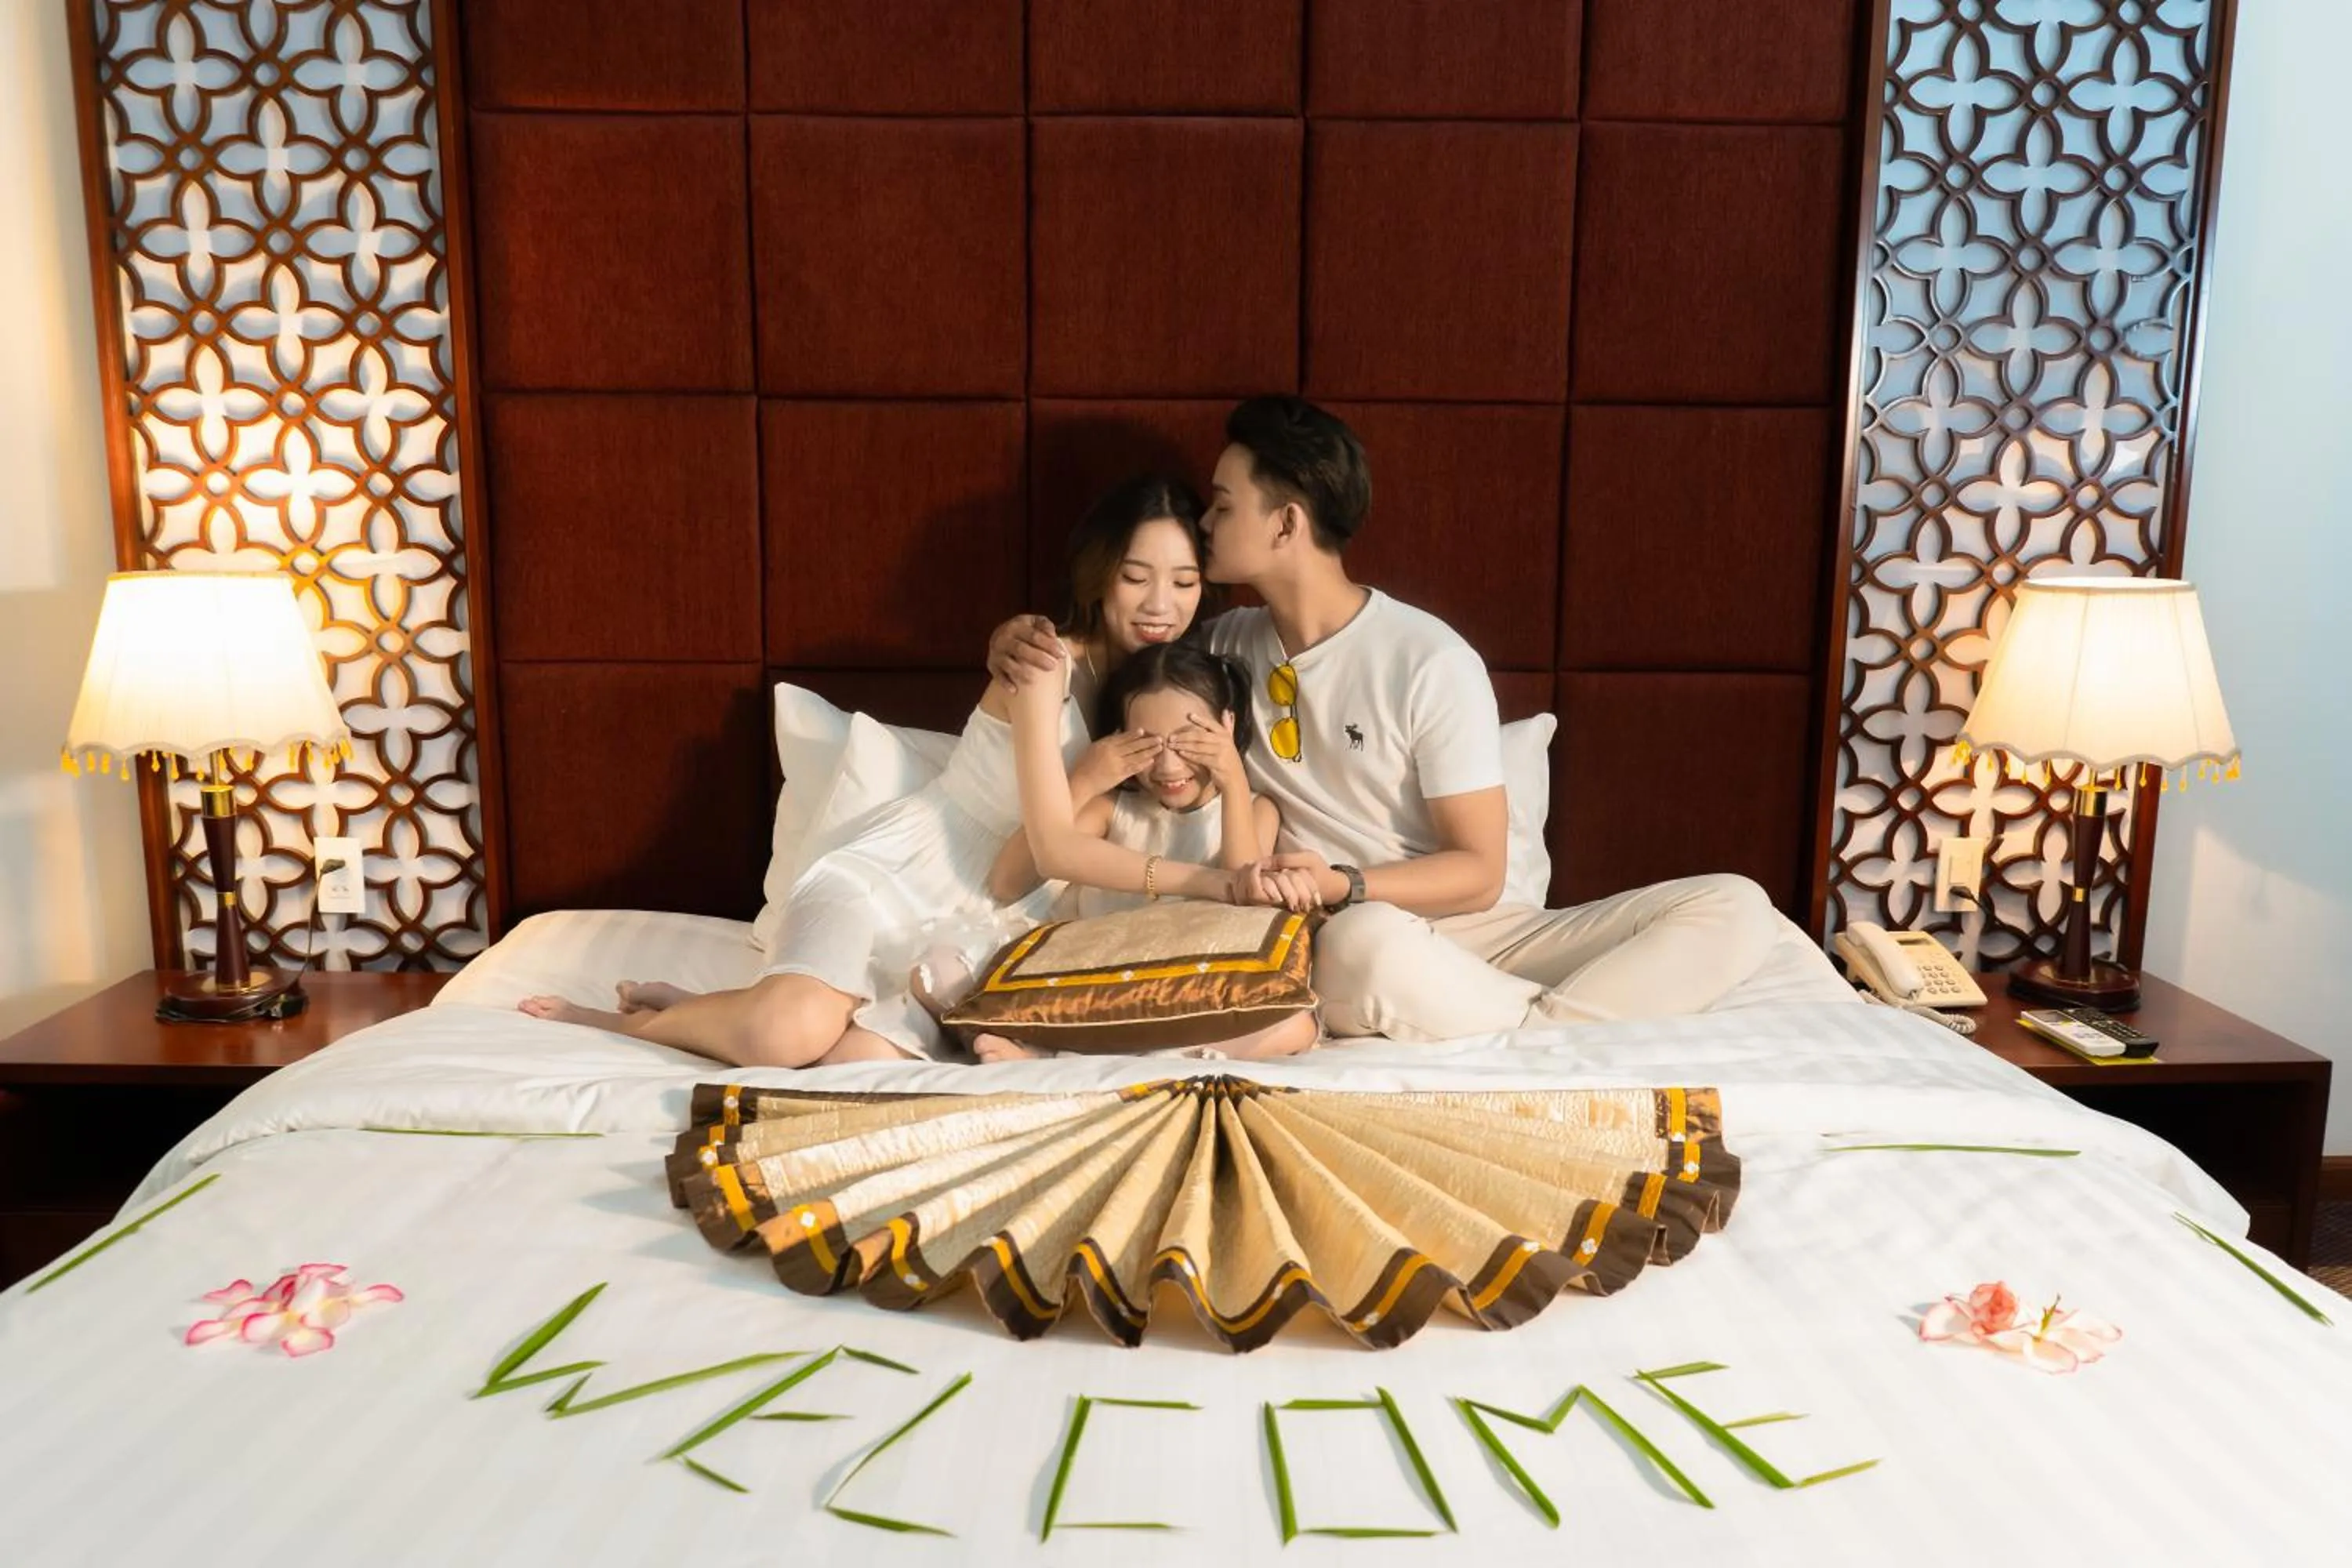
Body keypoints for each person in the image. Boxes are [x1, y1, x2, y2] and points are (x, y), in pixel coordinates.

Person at [991, 397, 1779, 1043]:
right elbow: (1112, 649)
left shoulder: (1428, 659)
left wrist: (1345, 880)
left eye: (1224, 505)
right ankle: (1553, 1034)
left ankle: (1536, 1037)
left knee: (1735, 902)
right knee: (1364, 940)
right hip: (1354, 940)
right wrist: (1010, 642)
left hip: (1480, 931)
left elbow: (1478, 870)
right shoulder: (1221, 646)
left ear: (1286, 524)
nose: (1205, 525)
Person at [519, 474, 1210, 1065]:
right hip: (900, 874)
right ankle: (626, 1024)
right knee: (789, 1035)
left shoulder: (1164, 689)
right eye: (1135, 576)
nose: (1160, 605)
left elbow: (1035, 867)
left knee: (857, 1061)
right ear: (1099, 574)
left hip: (995, 917)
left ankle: (709, 1007)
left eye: (1184, 581)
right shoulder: (1042, 660)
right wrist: (1213, 878)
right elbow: (1056, 841)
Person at [952, 639, 1319, 1063]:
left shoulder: (1257, 807)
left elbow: (1245, 897)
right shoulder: (1113, 810)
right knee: (945, 980)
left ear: (1227, 724)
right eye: (1146, 745)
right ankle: (1097, 1052)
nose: (1168, 767)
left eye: (1188, 741)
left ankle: (1075, 1058)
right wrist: (1086, 779)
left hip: (1193, 988)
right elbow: (1007, 881)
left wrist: (1234, 780)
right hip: (1100, 980)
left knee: (1296, 1026)